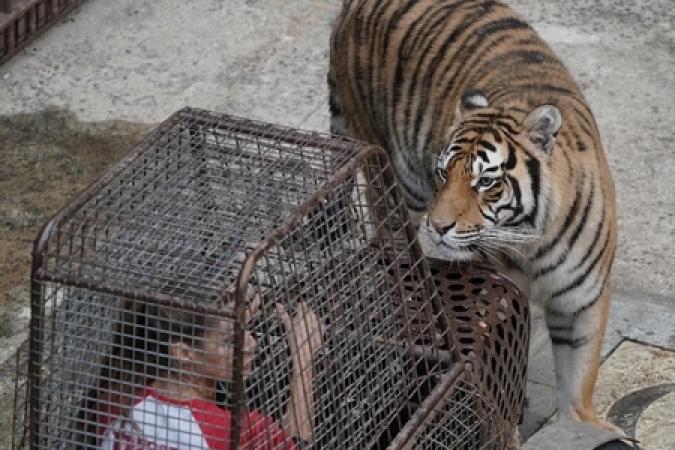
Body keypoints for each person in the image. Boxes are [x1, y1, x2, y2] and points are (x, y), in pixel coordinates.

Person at [96, 298, 323, 450]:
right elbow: (298, 443)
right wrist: (304, 356)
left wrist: (221, 327)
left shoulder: (115, 398)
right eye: (229, 341)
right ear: (185, 353)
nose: (252, 343)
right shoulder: (234, 429)